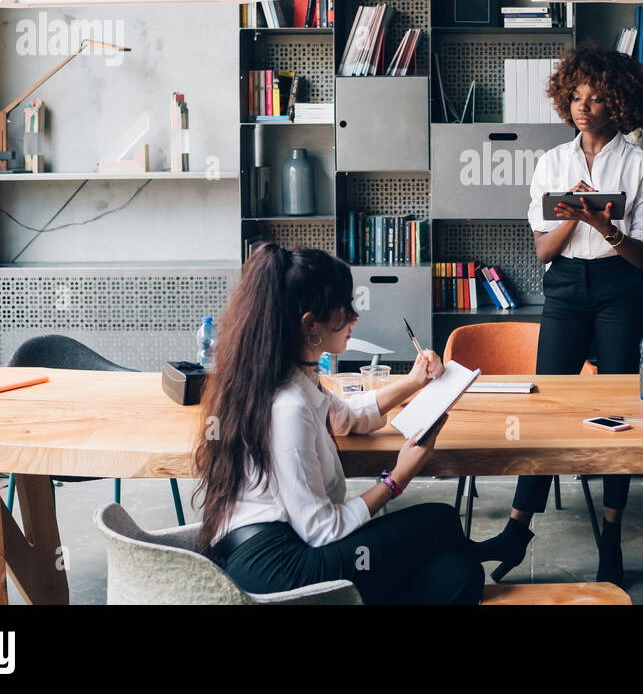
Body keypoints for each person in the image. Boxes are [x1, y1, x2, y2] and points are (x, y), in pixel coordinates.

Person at [193, 243, 483, 605]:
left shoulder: (284, 374)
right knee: (442, 522)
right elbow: (321, 528)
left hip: (281, 547)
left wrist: (412, 382)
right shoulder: (288, 406)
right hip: (281, 570)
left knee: (462, 571)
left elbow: (345, 418)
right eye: (345, 309)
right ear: (310, 324)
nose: (354, 318)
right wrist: (396, 479)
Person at [476, 43, 643, 587]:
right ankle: (518, 528)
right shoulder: (552, 164)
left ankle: (612, 536)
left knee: (617, 406)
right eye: (576, 97)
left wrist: (603, 223)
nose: (584, 107)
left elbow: (641, 255)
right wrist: (575, 217)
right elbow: (542, 251)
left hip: (618, 286)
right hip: (564, 285)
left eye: (597, 98)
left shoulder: (642, 166)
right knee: (546, 402)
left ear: (620, 104)